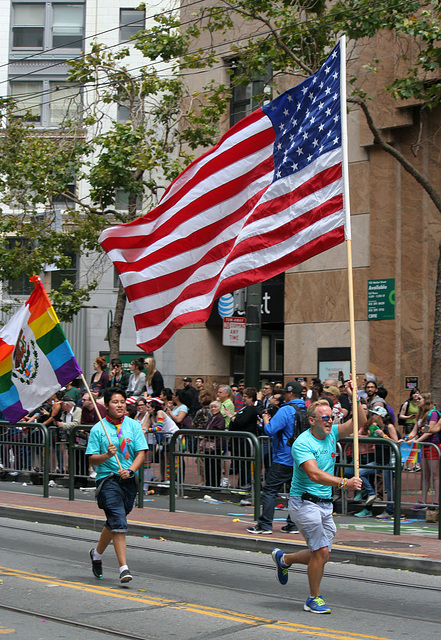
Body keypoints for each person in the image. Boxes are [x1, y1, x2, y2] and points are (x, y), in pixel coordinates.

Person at [271, 396, 365, 614]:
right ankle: (313, 598)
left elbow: (359, 422)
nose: (330, 421)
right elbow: (313, 474)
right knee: (321, 551)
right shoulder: (302, 443)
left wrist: (355, 398)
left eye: (331, 418)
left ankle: (284, 559)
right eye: (325, 418)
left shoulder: (331, 433)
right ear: (312, 420)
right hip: (304, 503)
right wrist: (345, 482)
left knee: (321, 553)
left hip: (325, 504)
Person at [86, 388, 148, 584]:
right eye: (115, 402)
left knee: (115, 520)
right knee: (119, 521)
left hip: (129, 481)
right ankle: (124, 568)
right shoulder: (98, 429)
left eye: (122, 402)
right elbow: (92, 459)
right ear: (106, 405)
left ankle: (96, 554)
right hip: (108, 480)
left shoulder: (133, 426)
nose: (120, 405)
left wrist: (129, 471)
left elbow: (141, 453)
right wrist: (107, 455)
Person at [247, 381, 305, 535]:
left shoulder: (286, 410)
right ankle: (293, 524)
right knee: (296, 492)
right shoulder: (308, 409)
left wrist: (266, 419)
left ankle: (265, 524)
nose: (284, 395)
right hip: (303, 458)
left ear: (290, 394)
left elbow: (270, 430)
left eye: (286, 392)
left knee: (270, 489)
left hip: (284, 457)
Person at [404, 392, 440, 508]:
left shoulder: (432, 414)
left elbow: (430, 431)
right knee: (425, 475)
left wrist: (417, 440)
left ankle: (437, 500)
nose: (417, 400)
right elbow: (414, 431)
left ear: (426, 400)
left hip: (432, 446)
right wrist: (406, 438)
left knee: (435, 474)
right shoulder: (420, 414)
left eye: (420, 399)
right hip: (424, 447)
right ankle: (423, 500)